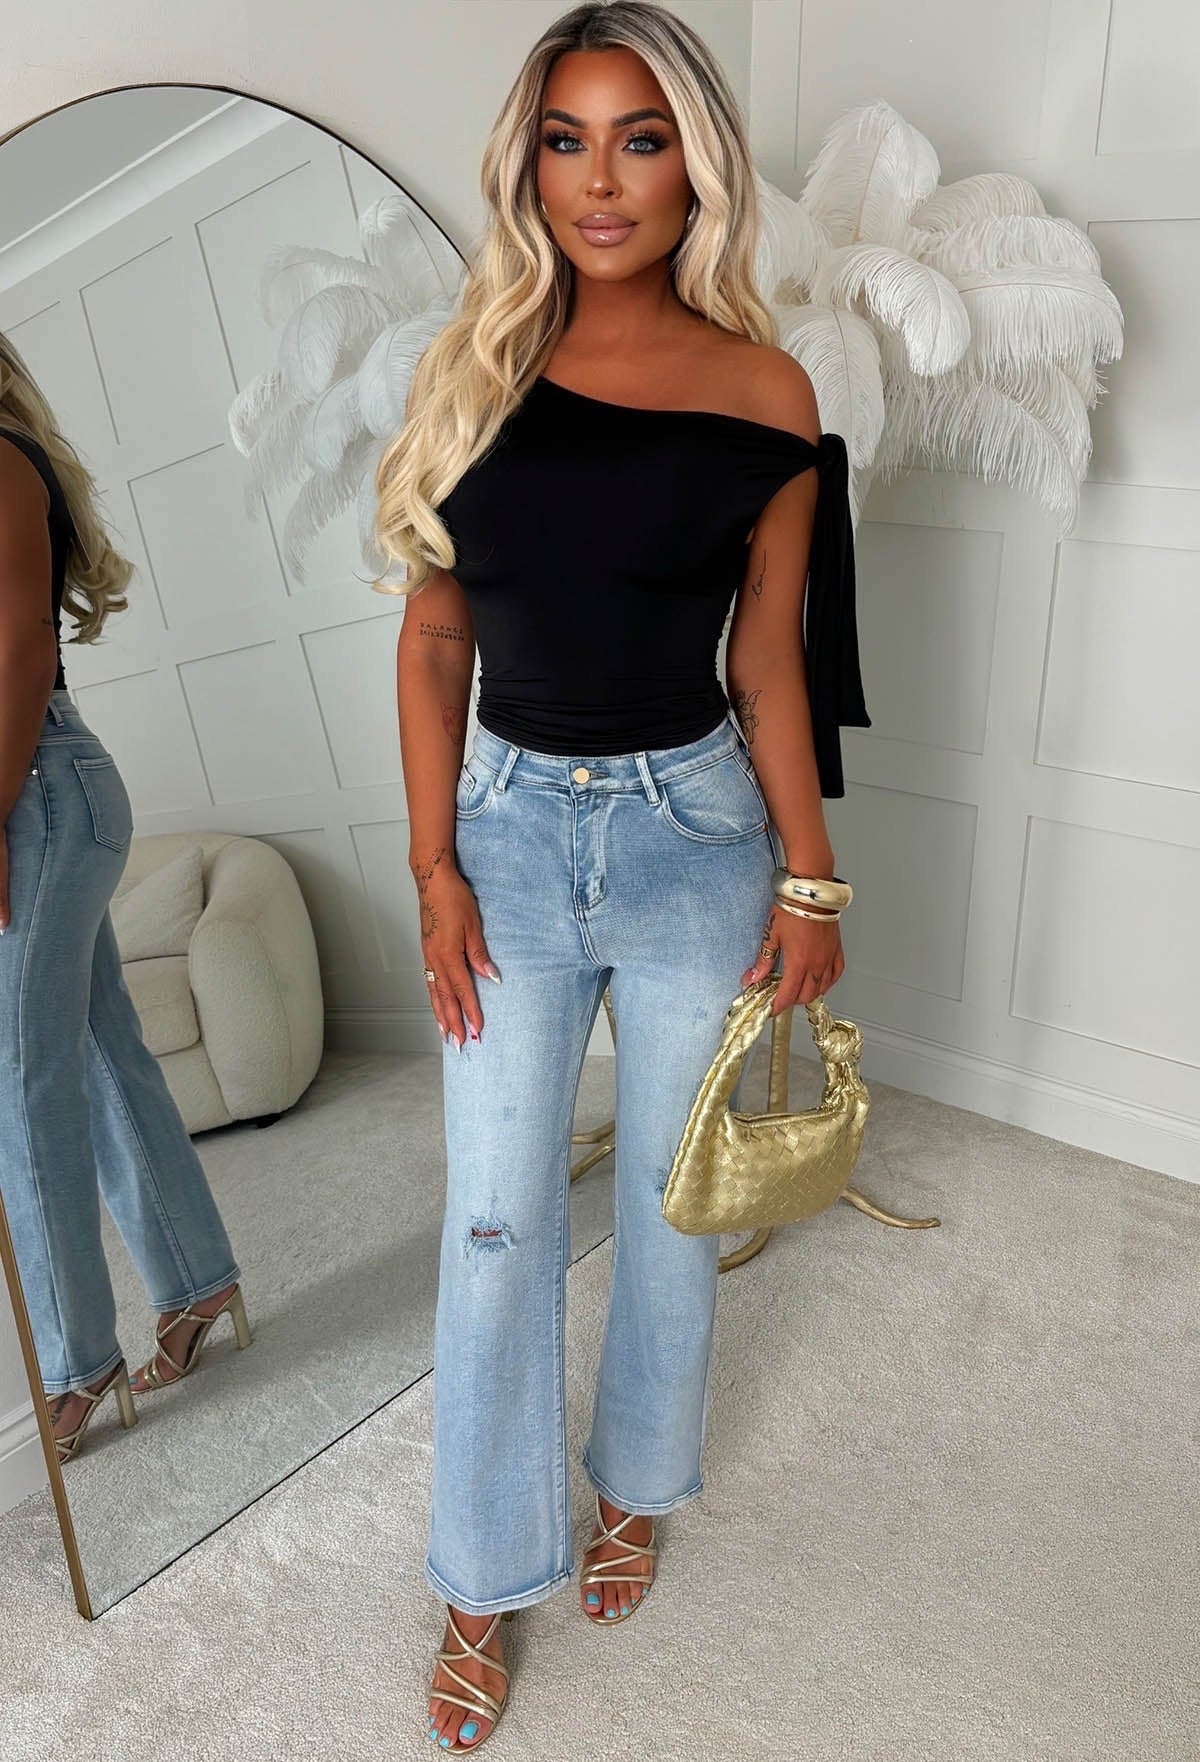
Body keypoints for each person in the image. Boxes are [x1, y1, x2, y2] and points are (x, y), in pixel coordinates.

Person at [374, 4, 869, 1750]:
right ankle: (478, 1572)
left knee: (673, 1206)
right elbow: (436, 639)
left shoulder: (768, 394)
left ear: (694, 168)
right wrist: (435, 867)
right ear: (529, 166)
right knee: (498, 1223)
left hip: (695, 836)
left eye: (641, 139)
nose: (601, 180)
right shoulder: (469, 371)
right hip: (508, 832)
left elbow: (770, 661)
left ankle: (637, 1481)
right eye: (567, 139)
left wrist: (811, 882)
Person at [0, 329, 247, 1467]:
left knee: (21, 1079)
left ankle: (72, 1360)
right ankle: (197, 1283)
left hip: (33, 790)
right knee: (99, 1053)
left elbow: (19, 649)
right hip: (44, 787)